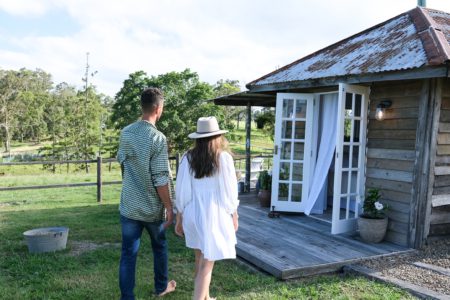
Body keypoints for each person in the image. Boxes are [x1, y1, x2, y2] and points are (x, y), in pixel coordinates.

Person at [117, 87, 176, 299]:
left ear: (142, 106)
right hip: (152, 209)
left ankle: (127, 297)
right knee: (159, 248)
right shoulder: (158, 138)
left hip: (129, 206)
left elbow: (123, 165)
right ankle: (161, 287)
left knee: (128, 255)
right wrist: (169, 207)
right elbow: (161, 179)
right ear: (158, 108)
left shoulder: (125, 133)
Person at [174, 116, 239, 300]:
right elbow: (229, 191)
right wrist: (234, 213)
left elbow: (182, 190)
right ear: (217, 136)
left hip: (193, 212)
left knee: (200, 257)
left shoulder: (188, 158)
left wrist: (180, 216)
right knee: (207, 263)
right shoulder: (223, 158)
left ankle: (206, 297)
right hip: (213, 213)